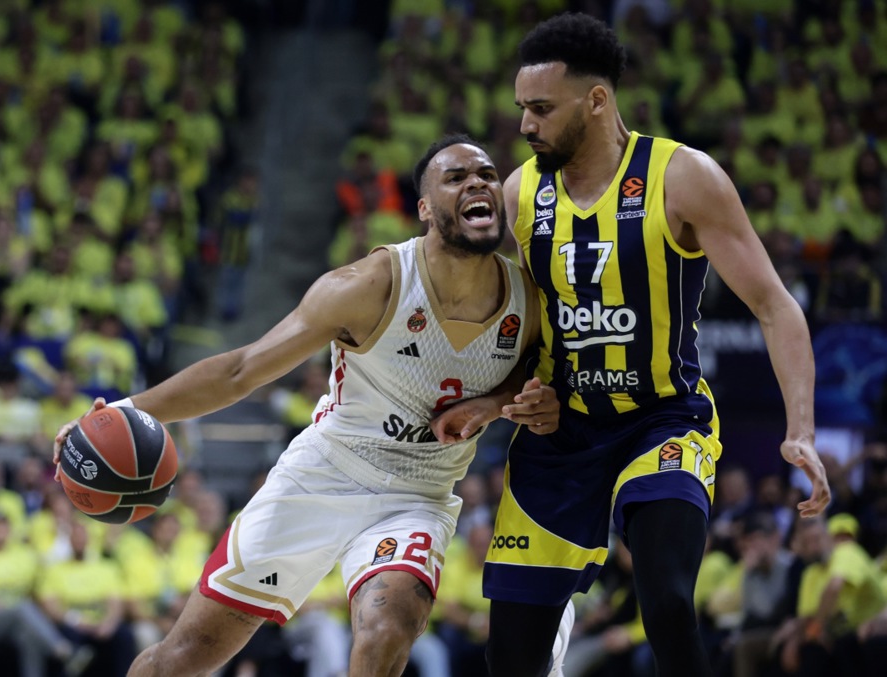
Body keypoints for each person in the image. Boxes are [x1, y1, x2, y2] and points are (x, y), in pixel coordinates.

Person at [54, 135, 569, 677]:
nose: (478, 183)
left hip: (418, 496)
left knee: (390, 626)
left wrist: (492, 404)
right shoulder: (366, 286)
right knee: (180, 661)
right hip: (323, 476)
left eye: (487, 173)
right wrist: (124, 410)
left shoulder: (529, 299)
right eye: (457, 177)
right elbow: (240, 370)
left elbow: (534, 376)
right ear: (424, 209)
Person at [431, 13, 830, 677]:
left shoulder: (684, 176)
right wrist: (510, 397)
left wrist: (803, 429)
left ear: (597, 101)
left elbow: (773, 303)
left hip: (662, 420)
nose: (525, 125)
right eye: (521, 109)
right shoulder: (519, 193)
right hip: (560, 441)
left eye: (541, 109)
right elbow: (519, 328)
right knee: (511, 656)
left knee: (667, 601)